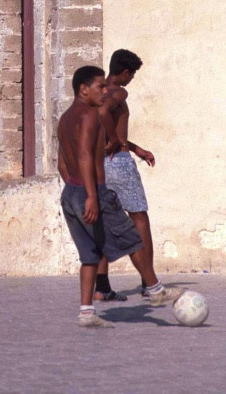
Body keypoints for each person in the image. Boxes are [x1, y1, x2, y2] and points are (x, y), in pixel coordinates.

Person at [58, 65, 183, 328]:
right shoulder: (89, 116)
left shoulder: (66, 118)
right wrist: (92, 195)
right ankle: (156, 290)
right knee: (132, 238)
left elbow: (62, 163)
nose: (105, 91)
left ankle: (86, 313)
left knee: (90, 254)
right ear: (84, 90)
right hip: (93, 192)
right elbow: (83, 156)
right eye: (100, 87)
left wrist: (76, 191)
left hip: (70, 193)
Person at [95, 49, 155, 300]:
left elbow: (104, 122)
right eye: (132, 75)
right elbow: (104, 115)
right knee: (139, 216)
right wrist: (115, 141)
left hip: (100, 165)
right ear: (126, 72)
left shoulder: (96, 92)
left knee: (102, 223)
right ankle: (148, 282)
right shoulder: (119, 91)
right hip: (119, 164)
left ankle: (102, 287)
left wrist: (136, 148)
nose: (131, 80)